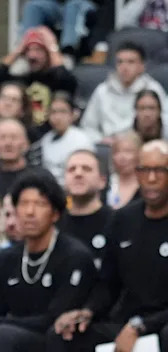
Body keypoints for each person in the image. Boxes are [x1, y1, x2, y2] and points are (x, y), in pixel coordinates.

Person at [0, 173, 97, 351]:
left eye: (40, 204)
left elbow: (55, 319)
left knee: (3, 335)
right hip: (10, 331)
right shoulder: (8, 257)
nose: (30, 212)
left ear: (55, 214)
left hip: (53, 339)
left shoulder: (74, 256)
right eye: (24, 204)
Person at [50, 141, 168, 352]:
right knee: (64, 334)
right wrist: (87, 311)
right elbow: (108, 282)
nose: (151, 179)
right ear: (136, 173)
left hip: (160, 324)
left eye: (160, 170)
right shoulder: (124, 219)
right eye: (144, 170)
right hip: (125, 323)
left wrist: (142, 326)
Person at [58, 150, 112, 270]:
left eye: (86, 169)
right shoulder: (53, 224)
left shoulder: (117, 222)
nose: (78, 174)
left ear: (102, 181)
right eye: (71, 169)